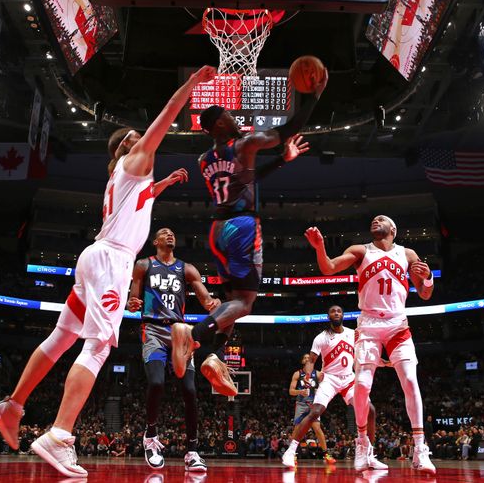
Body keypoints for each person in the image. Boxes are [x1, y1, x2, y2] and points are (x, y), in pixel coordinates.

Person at [0, 65, 218, 477]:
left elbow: (142, 198)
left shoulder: (123, 179)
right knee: (96, 347)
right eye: (136, 138)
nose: (145, 141)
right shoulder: (133, 160)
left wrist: (163, 184)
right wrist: (192, 85)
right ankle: (59, 435)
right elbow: (166, 113)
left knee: (62, 336)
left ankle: (12, 405)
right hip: (112, 262)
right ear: (126, 148)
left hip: (95, 256)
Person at [171, 68, 327, 395]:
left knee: (232, 302)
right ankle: (193, 335)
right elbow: (292, 127)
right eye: (227, 115)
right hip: (242, 227)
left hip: (217, 230)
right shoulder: (247, 143)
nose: (233, 116)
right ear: (217, 125)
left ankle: (214, 355)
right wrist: (314, 95)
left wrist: (282, 161)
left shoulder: (204, 159)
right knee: (246, 304)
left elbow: (246, 178)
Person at [304, 215, 436, 474]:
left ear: (393, 229)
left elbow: (424, 293)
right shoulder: (360, 250)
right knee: (362, 384)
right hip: (369, 325)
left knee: (410, 380)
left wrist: (429, 276)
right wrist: (320, 247)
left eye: (382, 219)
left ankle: (420, 449)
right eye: (373, 220)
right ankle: (362, 443)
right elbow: (328, 268)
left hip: (398, 324)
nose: (376, 221)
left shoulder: (408, 254)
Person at [125, 227, 221, 471]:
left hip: (179, 333)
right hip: (154, 330)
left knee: (189, 390)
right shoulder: (144, 265)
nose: (170, 235)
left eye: (173, 234)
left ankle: (192, 452)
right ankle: (151, 436)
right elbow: (133, 300)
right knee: (157, 382)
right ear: (156, 241)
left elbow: (204, 297)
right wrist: (132, 303)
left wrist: (211, 303)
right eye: (164, 233)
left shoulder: (186, 269)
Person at [282, 305, 387, 470]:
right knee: (315, 412)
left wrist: (385, 362)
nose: (336, 313)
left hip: (349, 379)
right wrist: (308, 376)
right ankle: (290, 451)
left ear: (343, 315)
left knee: (371, 410)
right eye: (332, 311)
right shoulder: (321, 337)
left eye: (339, 311)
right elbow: (311, 360)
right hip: (329, 379)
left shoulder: (353, 333)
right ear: (328, 316)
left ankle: (369, 455)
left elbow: (365, 353)